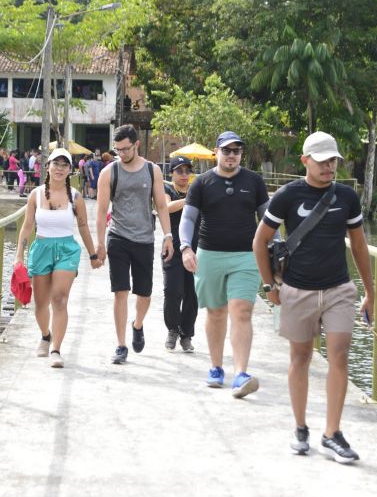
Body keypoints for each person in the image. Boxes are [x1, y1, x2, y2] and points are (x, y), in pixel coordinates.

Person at [252, 130, 374, 464]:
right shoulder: (287, 196)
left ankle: (332, 433)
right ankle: (300, 427)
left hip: (338, 289)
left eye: (333, 160)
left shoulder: (346, 197)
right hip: (298, 290)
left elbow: (360, 246)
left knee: (339, 355)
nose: (329, 167)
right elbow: (259, 242)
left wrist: (370, 292)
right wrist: (270, 287)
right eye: (322, 161)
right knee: (300, 358)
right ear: (305, 160)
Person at [179, 131, 269, 398]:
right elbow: (188, 219)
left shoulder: (254, 181)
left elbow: (267, 220)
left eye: (237, 151)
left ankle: (241, 373)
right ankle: (216, 367)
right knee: (216, 312)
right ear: (216, 152)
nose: (232, 155)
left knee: (241, 311)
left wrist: (277, 249)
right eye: (226, 150)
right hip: (210, 255)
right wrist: (186, 247)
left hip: (246, 256)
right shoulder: (202, 183)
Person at [95, 124, 174, 365]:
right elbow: (100, 211)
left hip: (144, 239)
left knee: (145, 293)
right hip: (118, 236)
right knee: (120, 291)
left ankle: (137, 325)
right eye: (117, 150)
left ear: (136, 145)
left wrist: (168, 236)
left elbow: (161, 206)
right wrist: (100, 243)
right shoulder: (109, 173)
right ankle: (121, 345)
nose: (121, 154)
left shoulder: (152, 171)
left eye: (126, 149)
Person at [15, 148, 102, 367]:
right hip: (41, 248)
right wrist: (18, 256)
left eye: (65, 165)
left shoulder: (75, 197)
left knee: (60, 299)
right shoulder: (35, 194)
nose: (59, 169)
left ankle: (56, 349)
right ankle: (46, 335)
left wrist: (93, 255)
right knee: (41, 304)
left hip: (66, 250)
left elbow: (83, 227)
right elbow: (26, 227)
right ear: (48, 166)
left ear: (70, 170)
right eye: (56, 164)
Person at [162, 155, 198, 352]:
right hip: (172, 248)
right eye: (179, 171)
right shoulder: (167, 189)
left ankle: (187, 334)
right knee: (173, 291)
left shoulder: (196, 189)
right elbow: (166, 208)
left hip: (195, 248)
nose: (184, 175)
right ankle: (172, 330)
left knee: (192, 294)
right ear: (172, 173)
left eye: (187, 171)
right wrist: (190, 200)